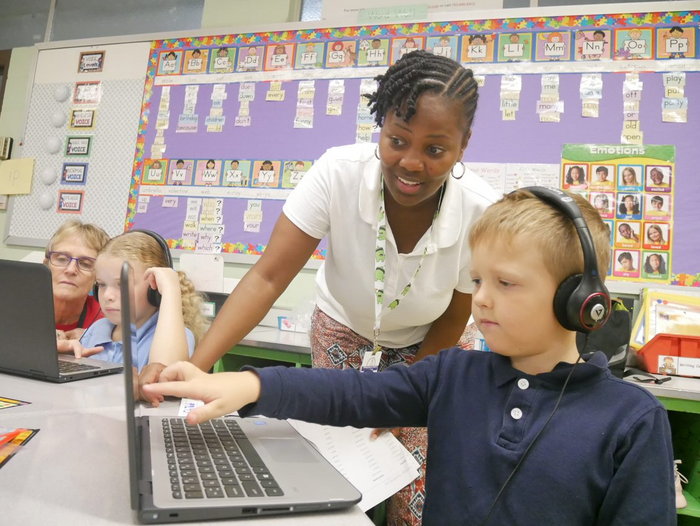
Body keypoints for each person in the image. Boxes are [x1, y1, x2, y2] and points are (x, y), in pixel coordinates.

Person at [144, 190, 675, 525]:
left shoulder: (630, 419)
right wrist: (252, 387)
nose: (481, 298)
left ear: (581, 302)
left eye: (505, 283)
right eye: (476, 281)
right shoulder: (455, 374)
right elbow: (354, 393)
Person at [140, 50, 497, 526]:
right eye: (396, 140)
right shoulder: (338, 172)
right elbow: (267, 278)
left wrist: (404, 399)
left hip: (434, 341)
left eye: (435, 149)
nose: (411, 163)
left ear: (463, 143)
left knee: (414, 489)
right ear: (381, 127)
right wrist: (196, 372)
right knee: (340, 473)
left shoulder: (481, 211)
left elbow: (455, 316)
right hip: (346, 330)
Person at [78, 231, 207, 374]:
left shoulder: (176, 335)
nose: (107, 295)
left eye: (122, 284)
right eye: (102, 285)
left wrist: (170, 291)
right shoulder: (98, 328)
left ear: (155, 289)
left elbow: (166, 380)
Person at [45, 220, 110, 351]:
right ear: (46, 264)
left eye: (85, 263)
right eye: (62, 259)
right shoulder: (15, 305)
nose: (70, 270)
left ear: (99, 277)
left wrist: (92, 337)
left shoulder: (108, 318)